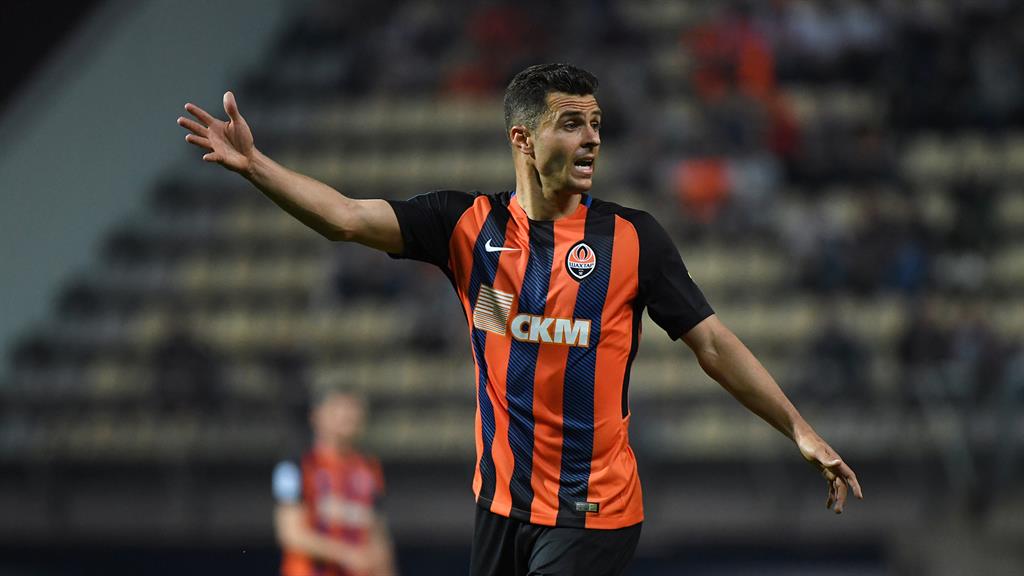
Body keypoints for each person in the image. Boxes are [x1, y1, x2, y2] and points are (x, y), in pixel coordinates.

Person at [179, 62, 862, 576]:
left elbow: (711, 342)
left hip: (593, 512)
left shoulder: (633, 240)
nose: (592, 139)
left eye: (597, 124)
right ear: (523, 138)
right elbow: (347, 219)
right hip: (500, 508)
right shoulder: (465, 225)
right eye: (571, 123)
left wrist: (797, 428)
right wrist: (256, 166)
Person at [272, 389, 397, 576]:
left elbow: (377, 533)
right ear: (316, 416)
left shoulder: (369, 468)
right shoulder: (295, 466)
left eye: (352, 412)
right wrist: (347, 554)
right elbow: (291, 534)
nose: (347, 417)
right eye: (338, 411)